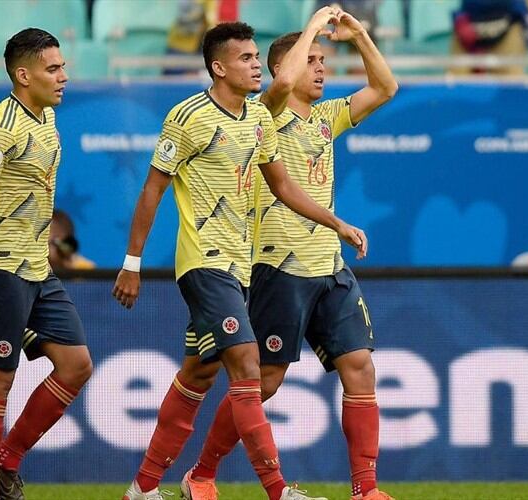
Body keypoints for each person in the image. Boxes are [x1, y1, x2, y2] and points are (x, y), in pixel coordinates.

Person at [112, 21, 368, 500]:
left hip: (241, 265)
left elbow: (284, 186)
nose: (255, 66)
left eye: (256, 57)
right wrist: (132, 261)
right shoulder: (187, 116)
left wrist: (336, 223)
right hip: (203, 262)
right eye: (247, 59)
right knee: (248, 365)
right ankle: (277, 490)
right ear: (218, 67)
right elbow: (152, 188)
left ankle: (143, 487)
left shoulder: (257, 120)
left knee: (198, 374)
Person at [184, 6, 397, 500]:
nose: (322, 68)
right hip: (281, 267)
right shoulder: (265, 117)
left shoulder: (327, 117)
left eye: (325, 60)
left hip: (331, 267)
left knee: (360, 366)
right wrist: (312, 27)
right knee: (266, 382)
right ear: (287, 69)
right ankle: (203, 472)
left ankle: (366, 489)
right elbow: (277, 88)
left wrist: (360, 34)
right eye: (313, 60)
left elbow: (385, 88)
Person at [0, 28, 93, 500]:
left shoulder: (47, 117)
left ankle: (7, 463)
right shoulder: (1, 126)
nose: (63, 76)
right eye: (53, 69)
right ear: (23, 74)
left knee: (75, 366)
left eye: (63, 66)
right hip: (2, 269)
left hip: (38, 269)